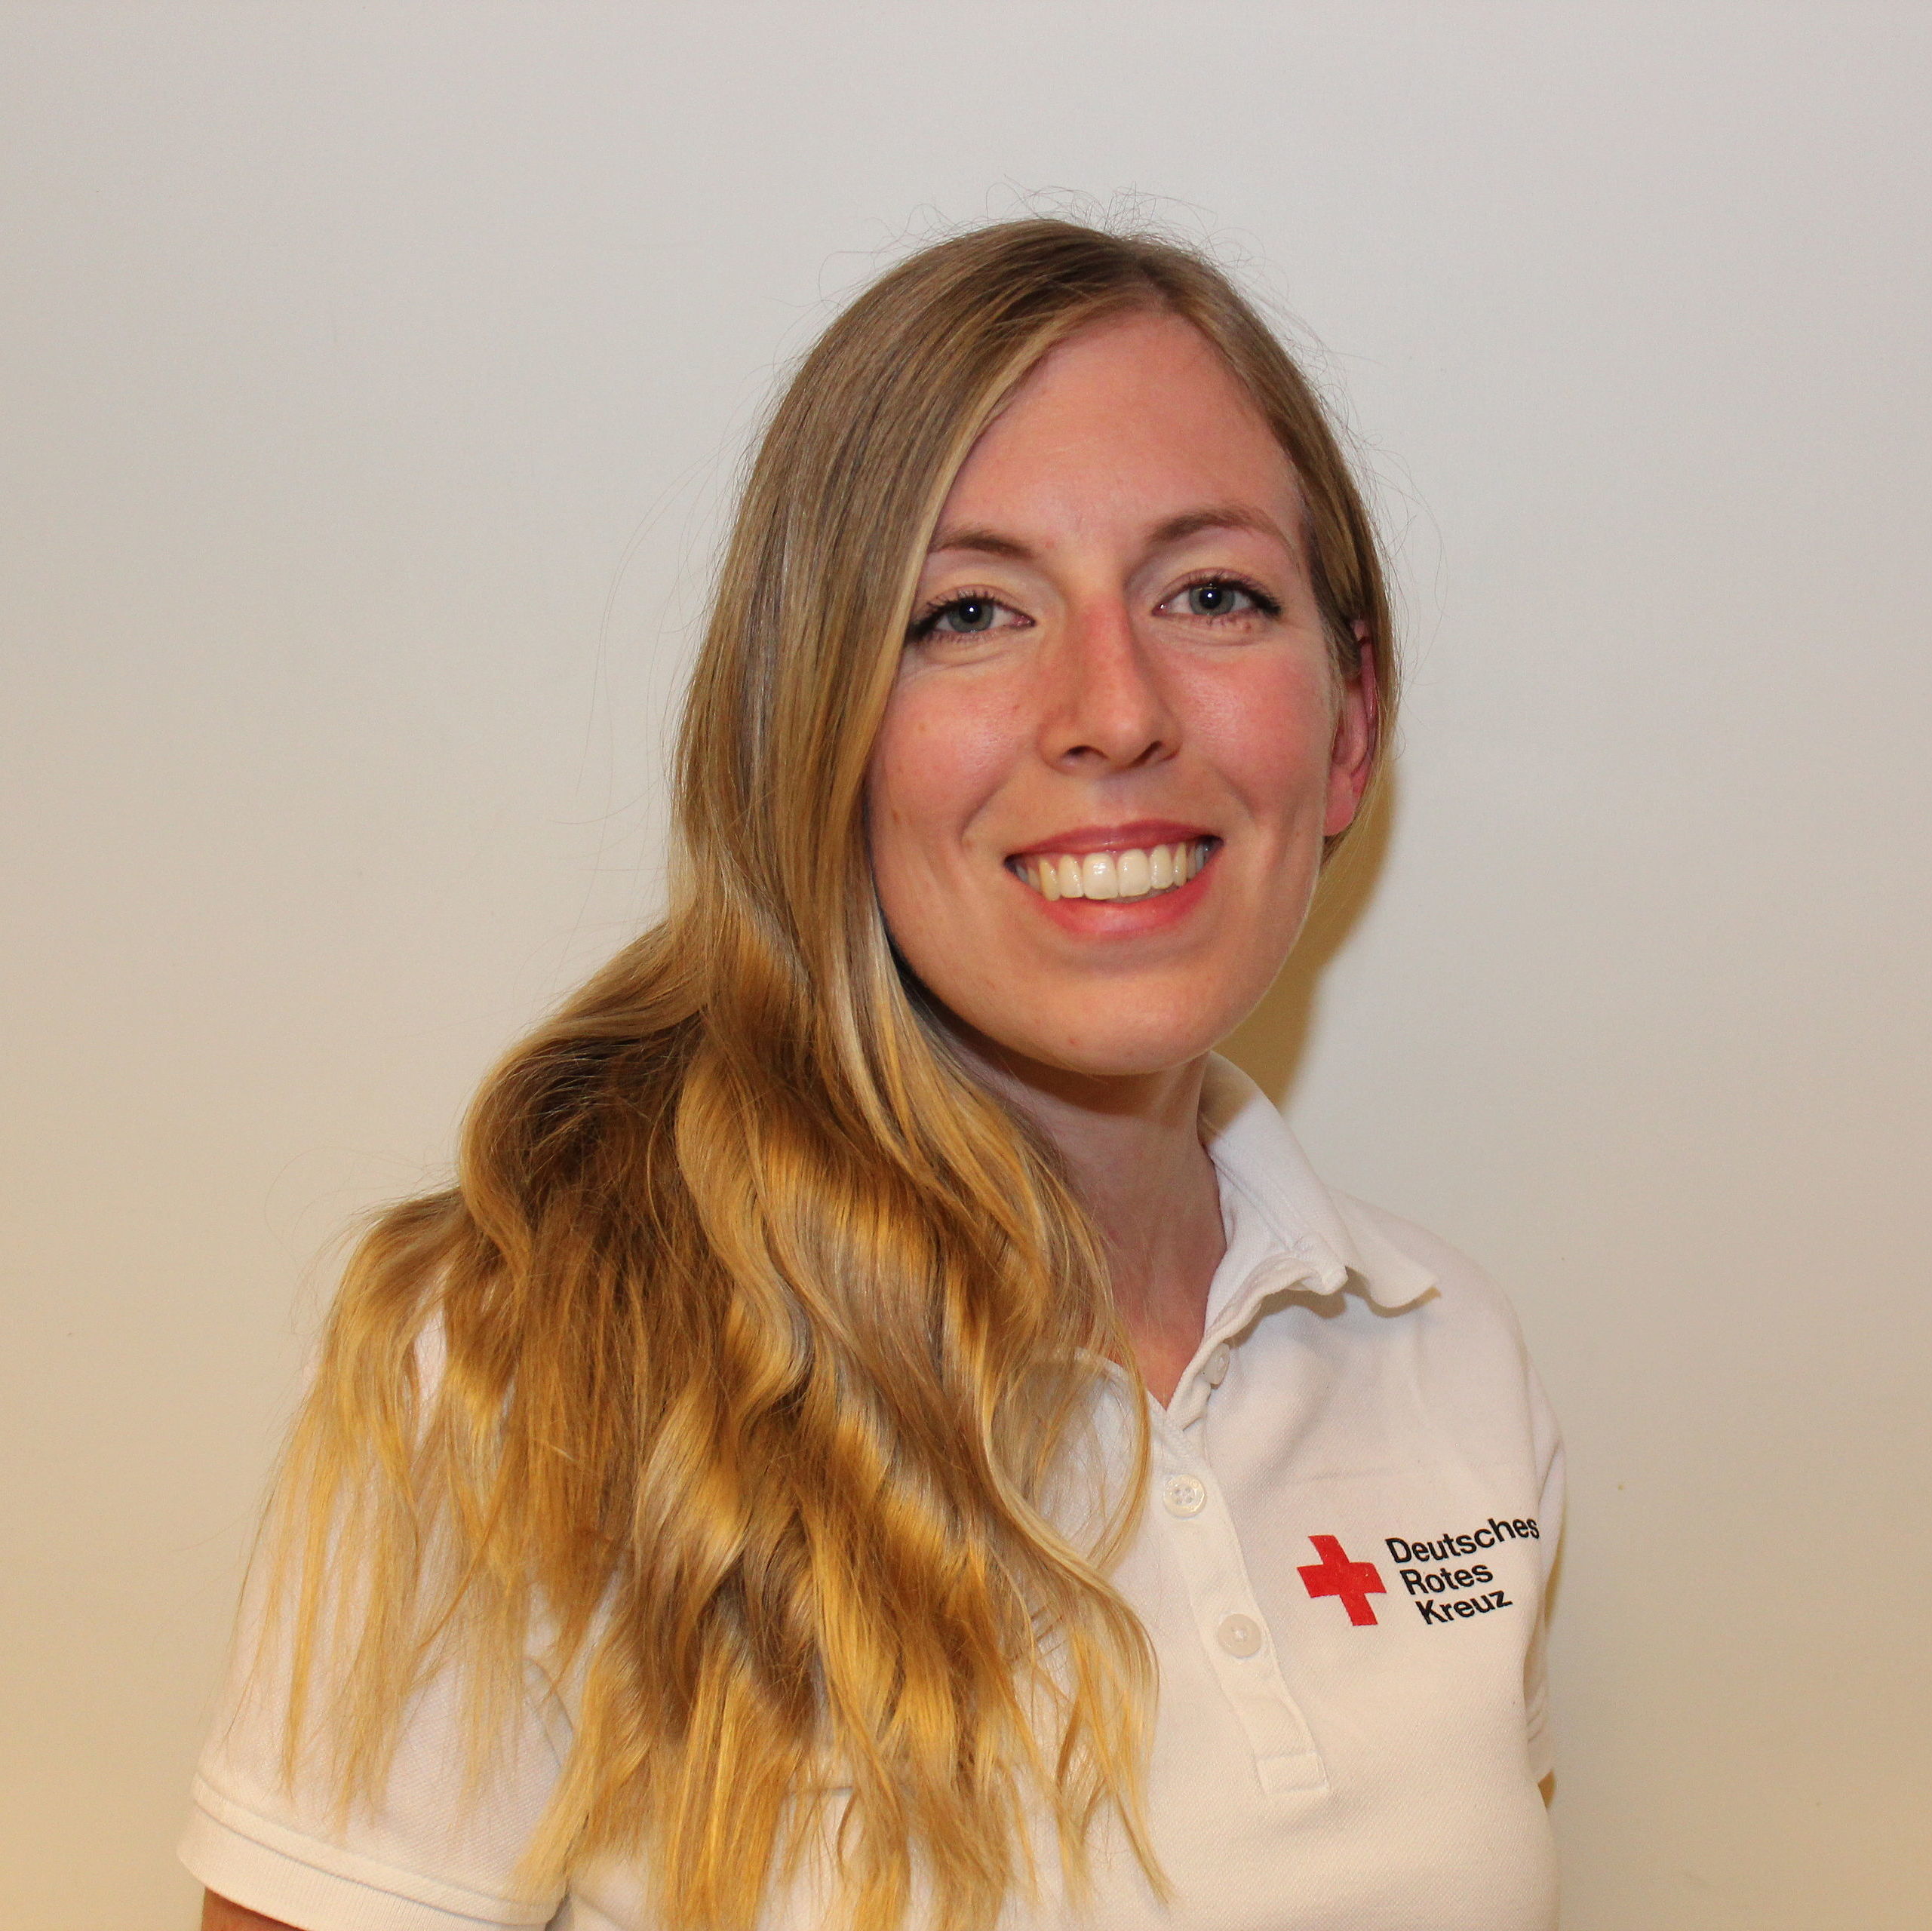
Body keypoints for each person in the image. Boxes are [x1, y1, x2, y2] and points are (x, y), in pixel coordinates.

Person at [186, 219, 1562, 1931]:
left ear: (1348, 724)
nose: (1113, 708)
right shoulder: (528, 1366)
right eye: (967, 612)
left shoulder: (1447, 1356)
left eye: (1211, 593)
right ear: (812, 733)